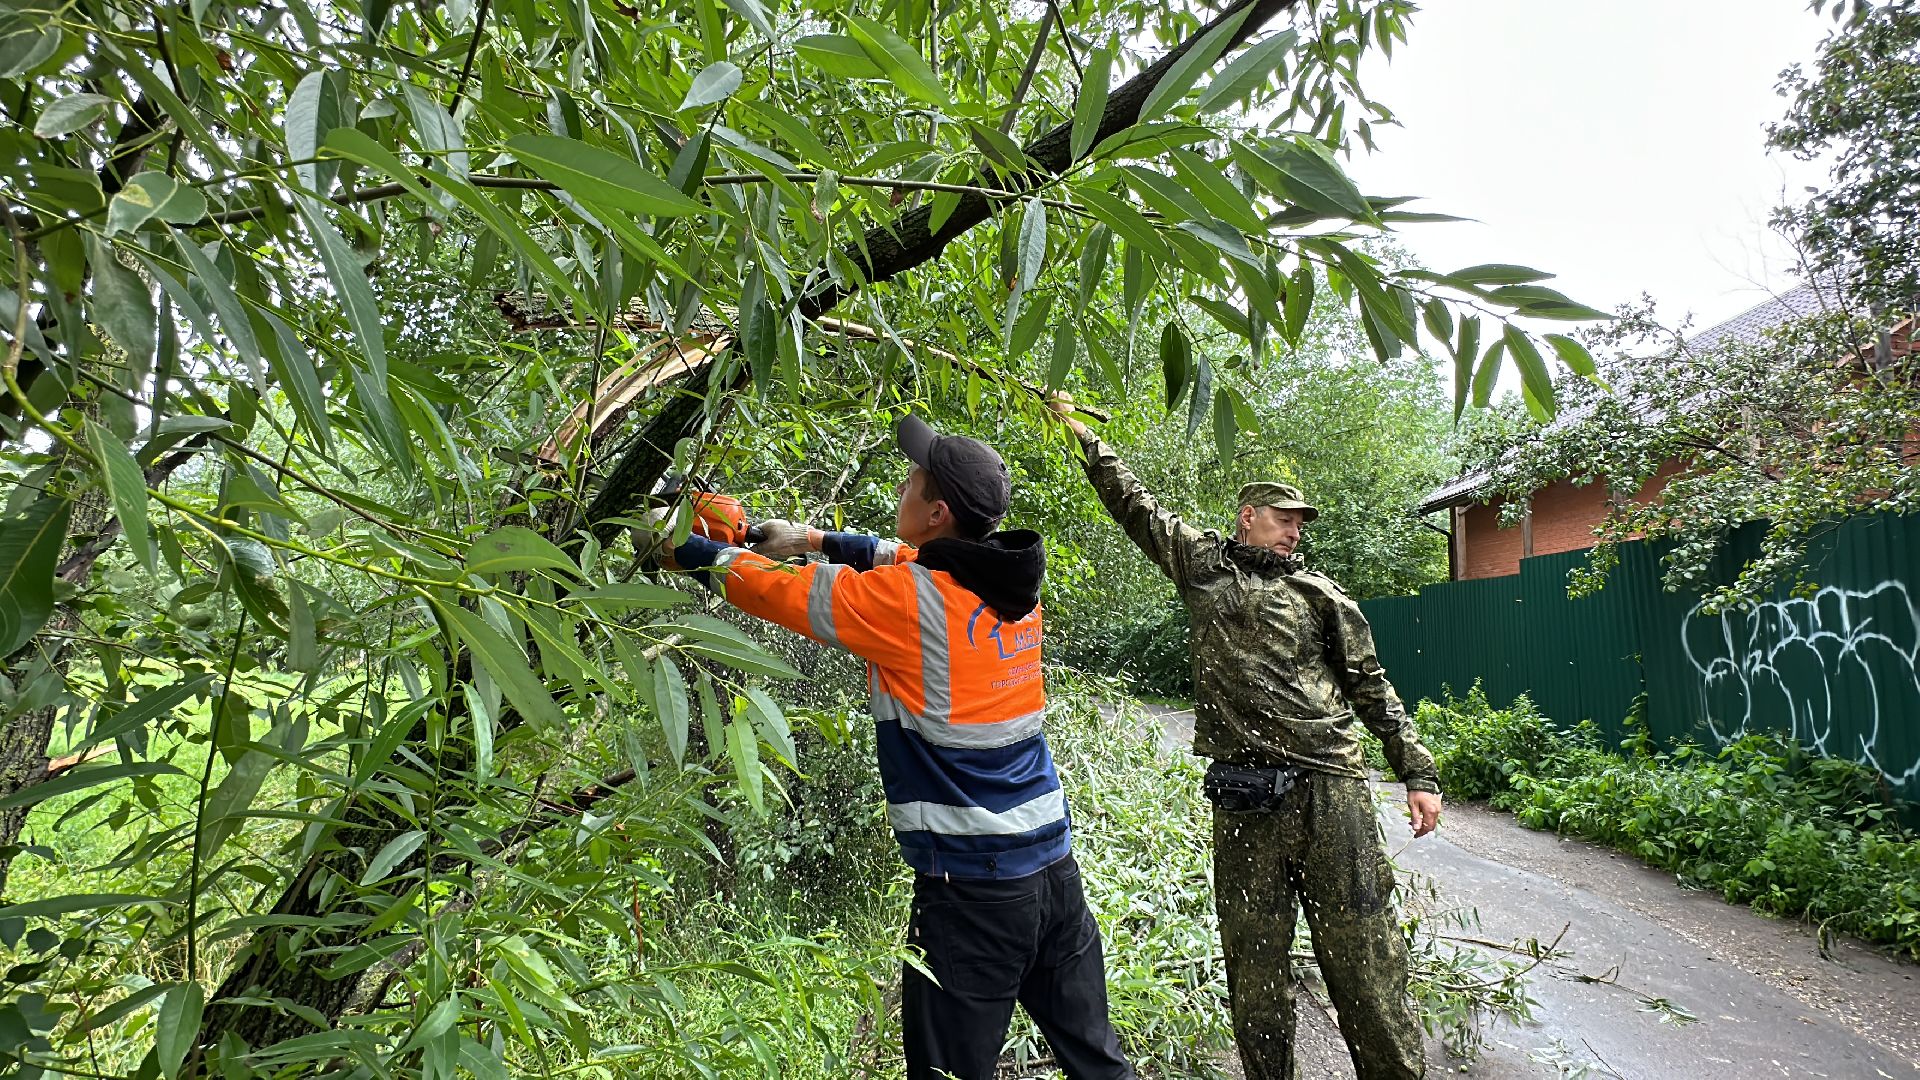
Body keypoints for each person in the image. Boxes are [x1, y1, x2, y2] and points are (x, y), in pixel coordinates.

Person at [651, 414, 1134, 1080]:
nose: (903, 483)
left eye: (914, 477)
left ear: (936, 511)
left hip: (972, 891)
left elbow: (779, 590)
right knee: (1097, 1060)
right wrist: (813, 537)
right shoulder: (1014, 590)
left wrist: (687, 550)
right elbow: (907, 558)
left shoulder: (912, 605)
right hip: (1053, 869)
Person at [1049, 394, 1442, 1080]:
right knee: (1253, 967)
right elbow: (1134, 504)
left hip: (1330, 792)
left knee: (1364, 963)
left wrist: (1419, 774)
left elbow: (1373, 689)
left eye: (1299, 524)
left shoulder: (1322, 595)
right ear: (1248, 516)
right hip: (1243, 800)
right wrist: (1082, 434)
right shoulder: (1203, 566)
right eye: (1284, 520)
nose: (1294, 532)